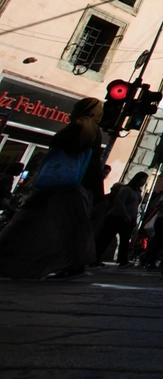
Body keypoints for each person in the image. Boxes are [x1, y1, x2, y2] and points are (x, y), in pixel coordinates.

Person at [0, 98, 105, 280]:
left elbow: (66, 144)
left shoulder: (83, 126)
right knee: (54, 225)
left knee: (35, 222)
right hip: (74, 183)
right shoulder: (94, 130)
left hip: (66, 183)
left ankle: (18, 262)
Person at [96, 171, 147, 267]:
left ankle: (123, 260)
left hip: (130, 219)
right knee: (106, 238)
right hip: (118, 217)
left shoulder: (138, 192)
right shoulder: (127, 189)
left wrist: (134, 218)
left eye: (145, 179)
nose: (144, 181)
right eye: (143, 179)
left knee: (125, 240)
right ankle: (96, 258)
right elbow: (120, 202)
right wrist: (125, 214)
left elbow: (136, 206)